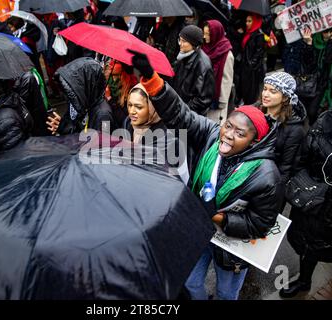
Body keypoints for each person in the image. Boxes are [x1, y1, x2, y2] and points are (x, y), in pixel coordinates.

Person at [128, 50, 283, 300]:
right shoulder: (212, 134)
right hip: (198, 232)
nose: (228, 135)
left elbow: (260, 223)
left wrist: (221, 218)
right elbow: (181, 114)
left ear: (254, 141)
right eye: (228, 126)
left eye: (239, 134)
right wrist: (152, 80)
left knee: (226, 292)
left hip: (230, 251)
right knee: (190, 283)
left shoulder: (266, 176)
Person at [280, 80, 332, 298]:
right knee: (309, 243)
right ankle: (304, 281)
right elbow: (304, 155)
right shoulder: (325, 120)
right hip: (313, 198)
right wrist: (300, 180)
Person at [123, 83, 189, 183]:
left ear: (152, 108)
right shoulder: (128, 122)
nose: (132, 111)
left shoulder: (167, 138)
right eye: (129, 105)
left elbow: (170, 179)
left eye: (138, 107)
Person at [259, 72, 307, 185]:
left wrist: (276, 191)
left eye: (272, 91)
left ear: (285, 97)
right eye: (265, 89)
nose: (265, 94)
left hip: (269, 179)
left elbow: (286, 166)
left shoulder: (295, 129)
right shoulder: (255, 111)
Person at [47, 58, 115, 135]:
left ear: (87, 84)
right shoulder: (86, 103)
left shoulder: (103, 115)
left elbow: (100, 145)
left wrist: (68, 130)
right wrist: (65, 126)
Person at [300, 27, 332, 124]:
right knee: (303, 110)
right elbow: (307, 63)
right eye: (325, 31)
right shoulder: (311, 40)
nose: (328, 34)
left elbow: (329, 59)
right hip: (308, 82)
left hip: (322, 83)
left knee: (312, 112)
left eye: (330, 31)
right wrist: (308, 44)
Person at [169, 25, 215, 116]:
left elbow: (203, 99)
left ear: (194, 44)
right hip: (177, 110)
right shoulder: (183, 56)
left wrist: (183, 110)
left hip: (188, 116)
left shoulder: (203, 65)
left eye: (184, 41)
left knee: (181, 131)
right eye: (180, 40)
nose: (180, 44)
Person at [202, 20, 234, 125]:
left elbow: (227, 80)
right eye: (204, 33)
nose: (205, 36)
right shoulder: (204, 48)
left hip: (217, 100)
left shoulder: (226, 54)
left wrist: (222, 101)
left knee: (213, 127)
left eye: (208, 34)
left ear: (215, 34)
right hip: (203, 97)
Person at [236, 14, 265, 105]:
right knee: (243, 87)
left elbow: (259, 53)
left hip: (251, 69)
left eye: (249, 21)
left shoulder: (259, 35)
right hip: (244, 65)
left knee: (250, 90)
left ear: (255, 22)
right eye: (246, 21)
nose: (247, 23)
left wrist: (251, 64)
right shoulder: (248, 33)